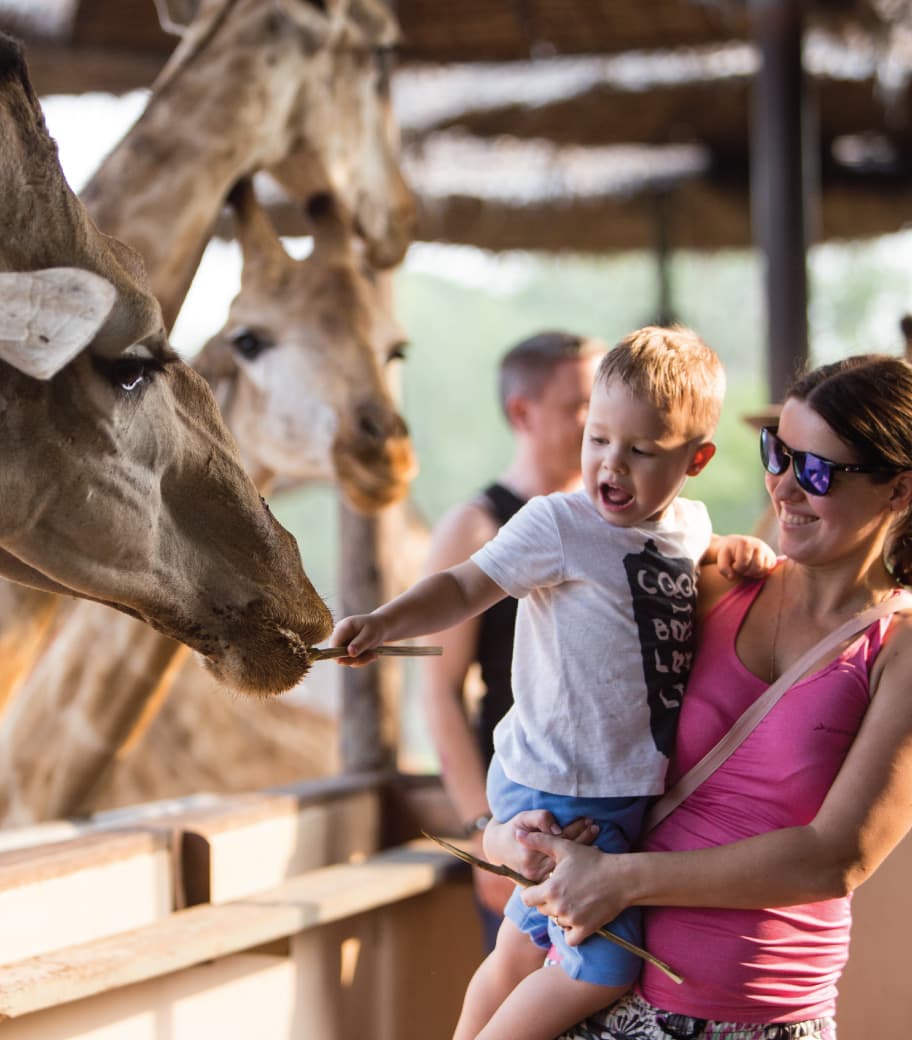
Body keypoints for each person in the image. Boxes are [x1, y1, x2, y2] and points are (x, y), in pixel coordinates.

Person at [332, 326, 775, 1040]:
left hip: (622, 787)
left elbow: (688, 560)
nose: (611, 464)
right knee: (603, 970)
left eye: (641, 450)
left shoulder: (690, 527)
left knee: (521, 946)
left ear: (697, 459)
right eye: (598, 439)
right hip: (562, 786)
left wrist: (735, 548)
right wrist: (387, 622)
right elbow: (463, 584)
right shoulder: (558, 523)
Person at [485, 352, 912, 1040]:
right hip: (594, 995)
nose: (785, 489)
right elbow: (567, 715)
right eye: (780, 454)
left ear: (899, 490)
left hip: (758, 1012)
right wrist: (505, 833)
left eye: (818, 471)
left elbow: (837, 857)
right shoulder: (710, 580)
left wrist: (624, 881)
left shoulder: (898, 647)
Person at [420, 330, 605, 952]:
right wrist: (484, 832)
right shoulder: (475, 526)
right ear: (521, 412)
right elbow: (441, 693)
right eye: (580, 404)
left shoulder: (619, 523)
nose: (598, 421)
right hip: (520, 824)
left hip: (609, 827)